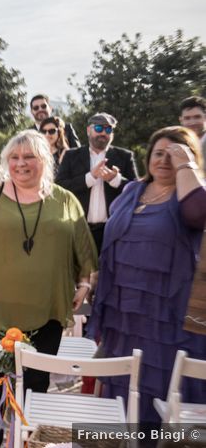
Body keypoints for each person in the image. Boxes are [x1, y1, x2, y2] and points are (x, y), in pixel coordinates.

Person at [0, 130, 96, 447]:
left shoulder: (64, 200)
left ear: (43, 160)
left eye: (29, 156)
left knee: (37, 379)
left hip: (48, 307)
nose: (21, 163)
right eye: (14, 157)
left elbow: (84, 248)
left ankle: (28, 439)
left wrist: (85, 283)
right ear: (6, 161)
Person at [89, 126, 206, 424]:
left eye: (175, 155)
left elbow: (198, 215)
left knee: (164, 391)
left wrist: (185, 165)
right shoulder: (132, 190)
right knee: (123, 389)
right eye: (158, 153)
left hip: (167, 318)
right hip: (124, 315)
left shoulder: (190, 196)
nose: (164, 160)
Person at [56, 113, 138, 254]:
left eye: (108, 130)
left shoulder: (124, 156)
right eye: (99, 128)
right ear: (89, 130)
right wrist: (90, 177)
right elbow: (59, 187)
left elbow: (137, 191)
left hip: (112, 231)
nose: (103, 133)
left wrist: (116, 180)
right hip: (78, 229)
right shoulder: (71, 156)